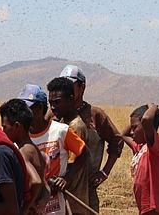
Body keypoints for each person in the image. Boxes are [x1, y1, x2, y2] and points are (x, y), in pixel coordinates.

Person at [60, 64, 123, 212]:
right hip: (60, 187)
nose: (66, 90)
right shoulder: (54, 114)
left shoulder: (96, 115)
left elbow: (117, 141)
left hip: (87, 188)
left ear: (82, 87)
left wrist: (104, 173)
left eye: (71, 86)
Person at [24, 84, 87, 215]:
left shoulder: (60, 130)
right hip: (29, 206)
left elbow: (84, 154)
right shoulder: (19, 136)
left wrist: (67, 179)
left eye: (28, 109)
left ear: (40, 108)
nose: (24, 114)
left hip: (54, 207)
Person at [0, 95, 48, 214]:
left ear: (17, 126)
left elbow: (36, 181)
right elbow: (45, 186)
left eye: (5, 127)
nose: (3, 131)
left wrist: (24, 208)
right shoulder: (34, 149)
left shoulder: (23, 152)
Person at [47, 77, 91, 214]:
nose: (53, 107)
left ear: (71, 99)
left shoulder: (75, 127)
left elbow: (75, 161)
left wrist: (64, 179)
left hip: (73, 200)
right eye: (51, 103)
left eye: (57, 102)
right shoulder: (63, 122)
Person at [122, 103, 159, 215]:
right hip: (147, 209)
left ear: (146, 127)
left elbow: (146, 119)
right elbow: (123, 135)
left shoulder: (156, 147)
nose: (131, 132)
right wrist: (135, 121)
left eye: (135, 127)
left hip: (156, 209)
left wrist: (152, 106)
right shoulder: (140, 148)